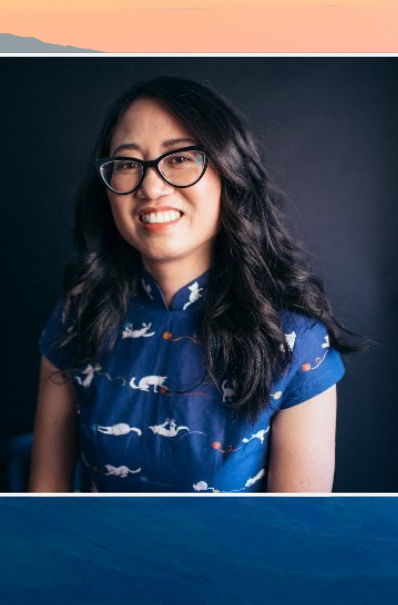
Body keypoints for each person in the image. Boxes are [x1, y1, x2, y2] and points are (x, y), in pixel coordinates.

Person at [28, 76, 359, 493]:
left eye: (180, 158)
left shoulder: (296, 339)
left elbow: (297, 526)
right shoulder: (79, 314)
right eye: (128, 164)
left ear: (228, 170)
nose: (151, 187)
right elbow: (44, 498)